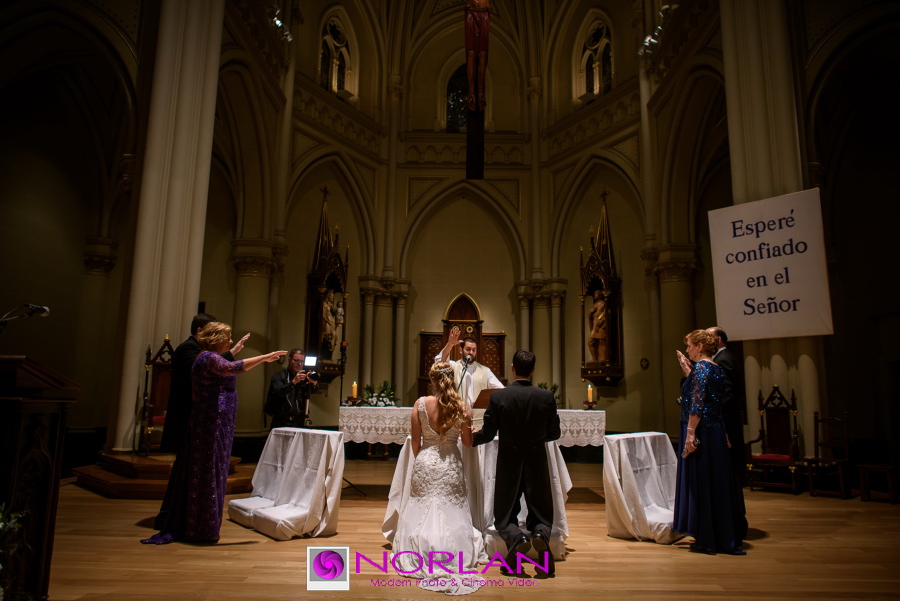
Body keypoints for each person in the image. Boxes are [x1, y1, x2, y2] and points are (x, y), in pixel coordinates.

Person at [141, 322, 285, 545]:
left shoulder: (208, 357)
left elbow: (228, 363)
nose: (228, 341)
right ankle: (201, 528)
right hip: (211, 422)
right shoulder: (207, 357)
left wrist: (237, 350)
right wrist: (265, 357)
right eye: (226, 338)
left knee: (214, 468)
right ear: (215, 338)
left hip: (218, 422)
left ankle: (199, 525)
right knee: (209, 469)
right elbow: (232, 368)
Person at [392, 361, 486, 595]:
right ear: (452, 379)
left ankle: (418, 550)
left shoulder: (420, 404)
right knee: (449, 507)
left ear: (432, 380)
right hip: (451, 463)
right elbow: (466, 443)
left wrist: (422, 464)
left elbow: (415, 443)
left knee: (422, 504)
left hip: (425, 461)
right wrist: (470, 432)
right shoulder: (463, 407)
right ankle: (452, 551)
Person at [472, 349, 560, 576]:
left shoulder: (499, 397)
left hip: (509, 459)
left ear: (513, 368)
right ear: (532, 370)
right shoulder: (546, 397)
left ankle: (516, 538)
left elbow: (488, 434)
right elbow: (554, 432)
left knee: (504, 512)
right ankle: (541, 537)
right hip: (536, 459)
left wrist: (469, 438)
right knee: (540, 509)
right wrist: (536, 440)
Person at [673, 329, 745, 555]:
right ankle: (719, 534)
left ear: (700, 347)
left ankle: (707, 536)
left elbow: (698, 403)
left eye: (690, 346)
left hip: (701, 430)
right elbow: (717, 403)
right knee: (716, 482)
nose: (687, 350)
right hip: (715, 429)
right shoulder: (714, 368)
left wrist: (691, 433)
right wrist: (688, 371)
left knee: (702, 483)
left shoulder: (703, 369)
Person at [159, 313, 249, 453]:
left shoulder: (202, 350)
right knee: (185, 450)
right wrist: (233, 352)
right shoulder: (188, 347)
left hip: (198, 404)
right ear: (200, 331)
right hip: (186, 404)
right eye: (211, 331)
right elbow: (206, 365)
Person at [706, 326, 748, 543]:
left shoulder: (725, 360)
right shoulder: (720, 359)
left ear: (719, 339)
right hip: (720, 426)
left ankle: (736, 524)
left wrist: (709, 415)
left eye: (709, 337)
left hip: (724, 428)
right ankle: (730, 522)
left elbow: (728, 396)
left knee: (729, 476)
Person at [435, 326, 503, 406]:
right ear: (461, 350)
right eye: (468, 349)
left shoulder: (485, 371)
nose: (471, 352)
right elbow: (439, 363)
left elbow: (500, 390)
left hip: (478, 416)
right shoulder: (454, 366)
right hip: (458, 415)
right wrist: (450, 344)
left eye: (474, 350)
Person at [265, 348, 318, 428]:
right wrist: (293, 382)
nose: (299, 364)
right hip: (281, 421)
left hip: (299, 421)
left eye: (302, 361)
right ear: (289, 360)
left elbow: (312, 391)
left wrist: (314, 384)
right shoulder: (278, 376)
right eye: (296, 361)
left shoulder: (304, 377)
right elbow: (280, 392)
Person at [465, 0, 489, 111]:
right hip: (470, 12)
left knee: (483, 53)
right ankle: (471, 92)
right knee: (471, 53)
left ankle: (481, 92)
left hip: (484, 13)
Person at [587, 289, 609, 363]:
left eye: (596, 293)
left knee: (602, 341)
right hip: (595, 324)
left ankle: (603, 358)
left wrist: (602, 322)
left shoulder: (603, 303)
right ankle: (595, 359)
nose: (595, 295)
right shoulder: (595, 304)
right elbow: (591, 314)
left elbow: (607, 313)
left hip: (600, 324)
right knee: (590, 341)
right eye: (594, 293)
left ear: (600, 294)